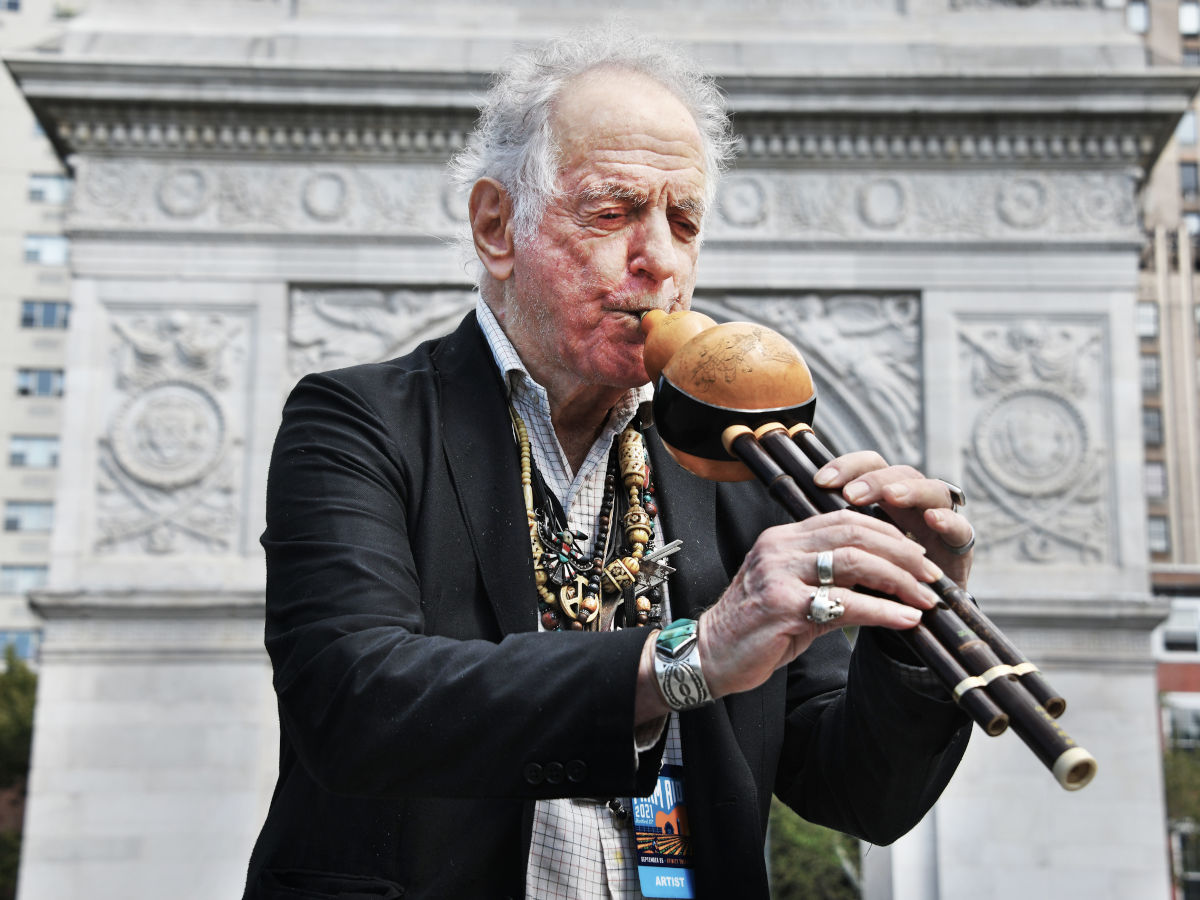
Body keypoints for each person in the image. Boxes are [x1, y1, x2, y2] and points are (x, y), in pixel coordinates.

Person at [242, 26, 974, 900]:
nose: (659, 258)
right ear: (496, 225)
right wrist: (690, 654)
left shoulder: (733, 458)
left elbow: (859, 792)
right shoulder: (360, 418)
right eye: (614, 210)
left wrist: (917, 622)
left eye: (684, 220)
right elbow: (353, 700)